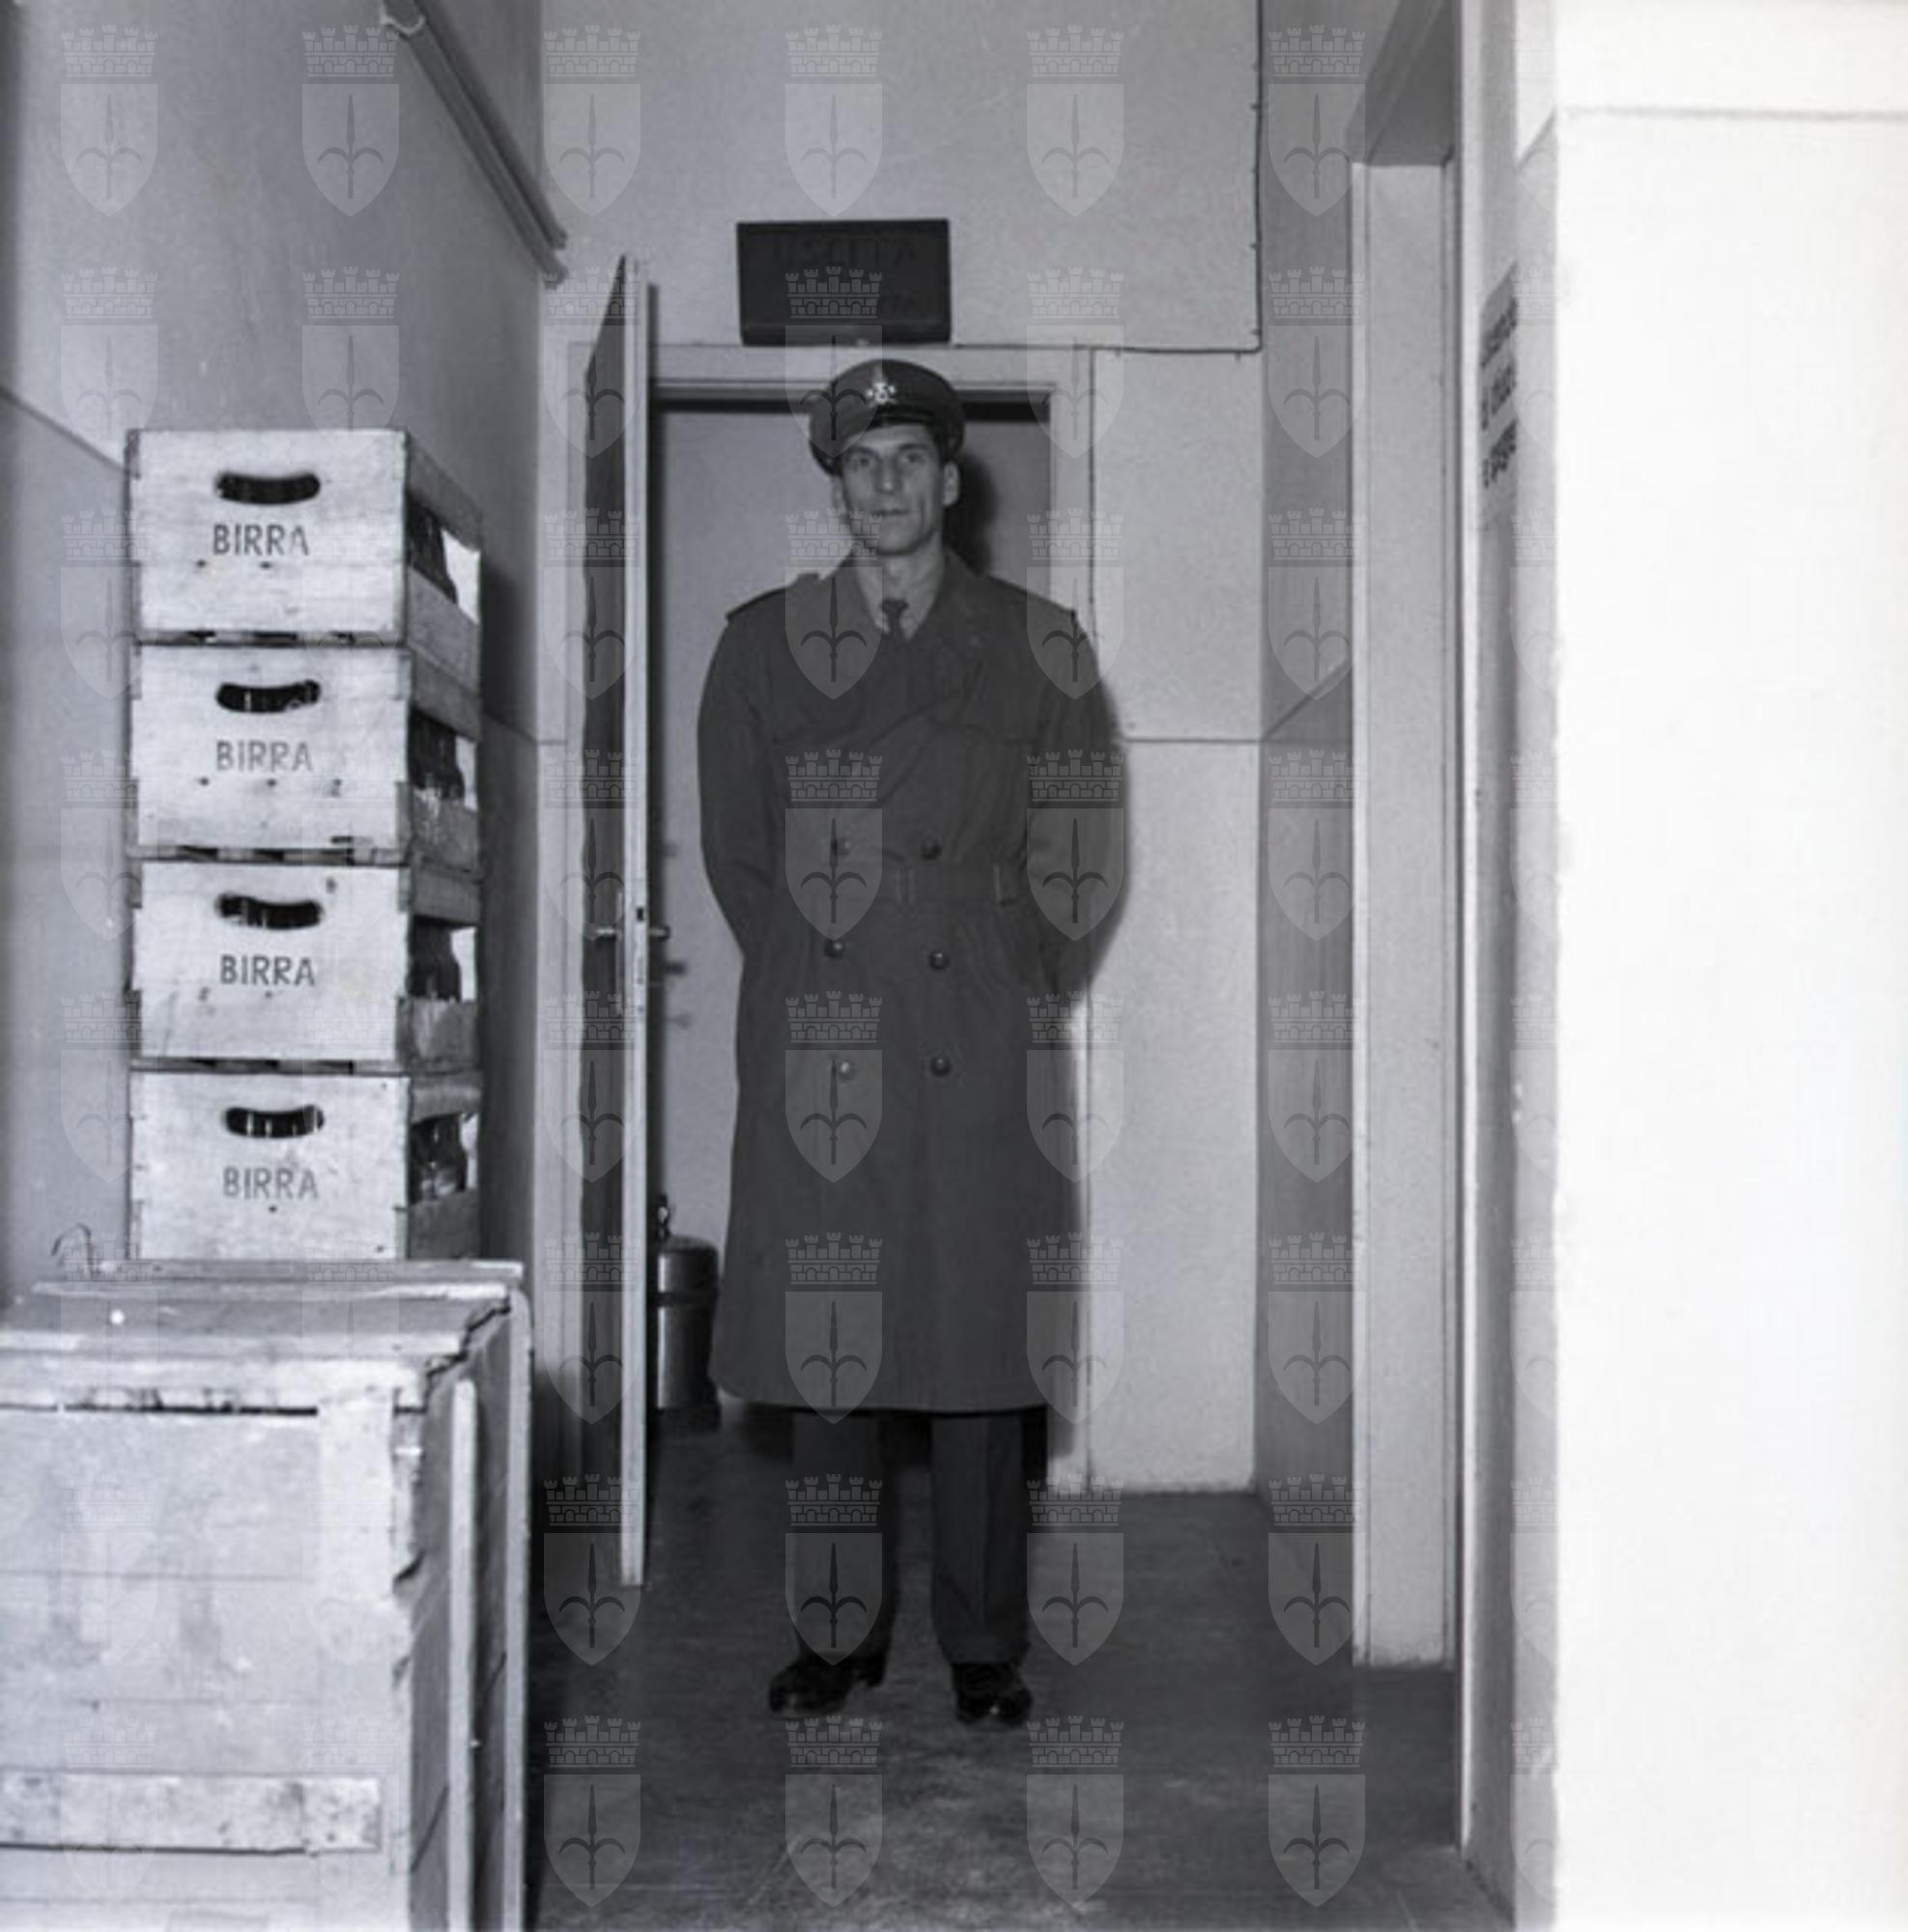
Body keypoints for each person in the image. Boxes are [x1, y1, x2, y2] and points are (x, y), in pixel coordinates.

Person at [696, 356, 1122, 1725]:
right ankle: (836, 1636)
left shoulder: (1041, 644)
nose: (885, 484)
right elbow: (740, 860)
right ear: (839, 488)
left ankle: (985, 1643)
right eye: (860, 463)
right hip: (827, 1026)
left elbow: (1079, 853)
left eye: (908, 461)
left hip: (975, 1033)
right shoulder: (761, 644)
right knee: (835, 1346)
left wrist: (1003, 976)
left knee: (980, 1351)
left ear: (949, 481)